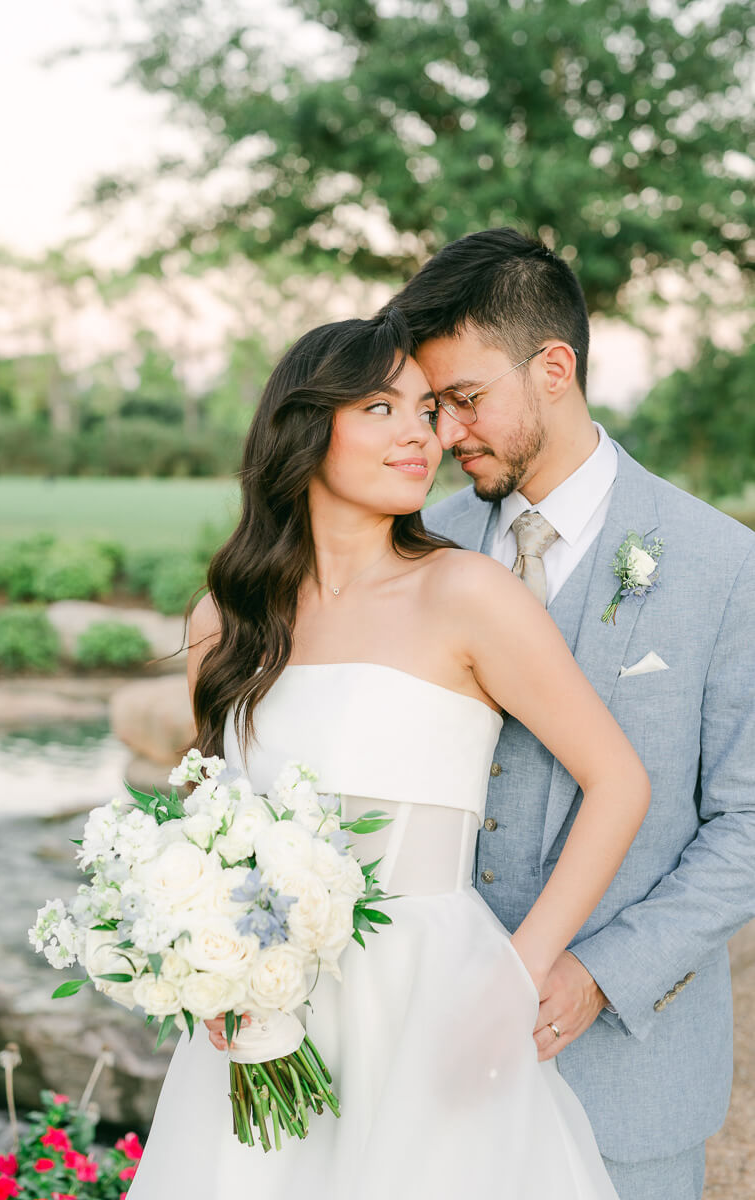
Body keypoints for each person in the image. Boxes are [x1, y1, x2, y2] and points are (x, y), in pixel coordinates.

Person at [127, 311, 648, 1199]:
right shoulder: (224, 621)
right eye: (381, 406)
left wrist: (514, 978)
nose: (424, 433)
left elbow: (619, 782)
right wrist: (206, 972)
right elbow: (214, 824)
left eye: (430, 409)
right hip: (273, 1007)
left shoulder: (465, 593)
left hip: (432, 995)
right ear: (304, 427)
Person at [385, 227, 755, 1200]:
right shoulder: (419, 550)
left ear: (555, 367)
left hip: (628, 1072)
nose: (445, 434)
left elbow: (749, 824)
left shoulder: (723, 567)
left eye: (465, 399)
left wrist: (600, 972)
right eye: (432, 406)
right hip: (432, 1055)